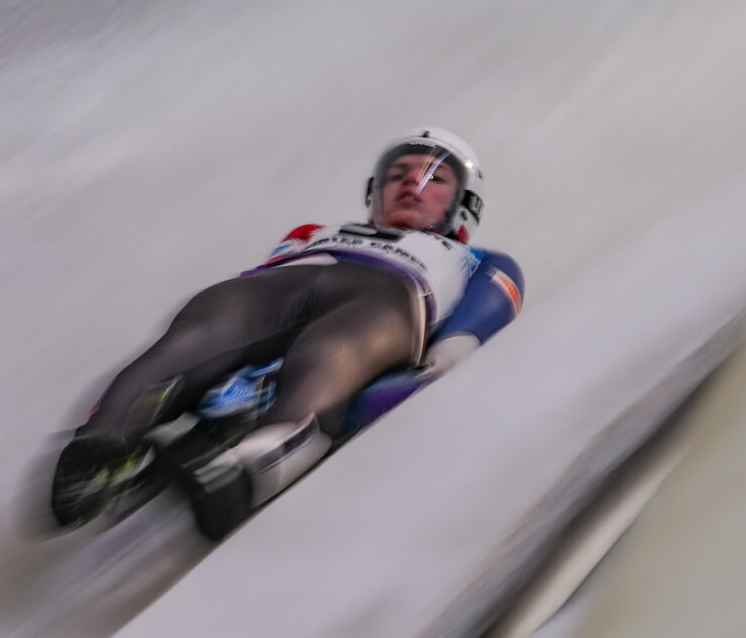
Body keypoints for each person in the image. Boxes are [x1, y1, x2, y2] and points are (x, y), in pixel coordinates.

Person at [51, 127, 524, 539]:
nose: (410, 183)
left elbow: (484, 314)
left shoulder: (481, 262)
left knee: (332, 350)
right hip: (280, 289)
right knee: (209, 327)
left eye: (433, 178)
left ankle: (253, 465)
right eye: (398, 173)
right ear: (374, 189)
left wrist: (442, 363)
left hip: (389, 302)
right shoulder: (313, 231)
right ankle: (103, 438)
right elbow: (259, 278)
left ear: (464, 204)